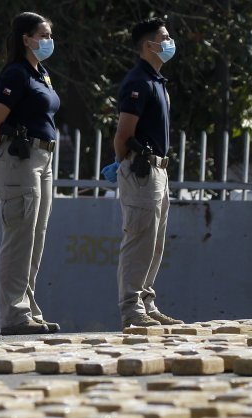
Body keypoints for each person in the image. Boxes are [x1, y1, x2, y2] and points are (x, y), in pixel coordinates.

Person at [0, 12, 60, 335]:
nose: (49, 41)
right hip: (19, 159)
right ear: (26, 39)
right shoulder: (16, 74)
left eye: (50, 35)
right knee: (19, 235)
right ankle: (14, 314)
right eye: (43, 35)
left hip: (43, 158)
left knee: (35, 237)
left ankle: (28, 307)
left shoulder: (42, 74)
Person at [109, 17, 184, 330]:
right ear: (148, 45)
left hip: (159, 170)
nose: (169, 42)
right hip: (142, 169)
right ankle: (131, 308)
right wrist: (125, 164)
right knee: (139, 238)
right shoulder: (139, 81)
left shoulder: (157, 81)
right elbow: (124, 133)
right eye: (164, 37)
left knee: (154, 242)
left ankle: (147, 303)